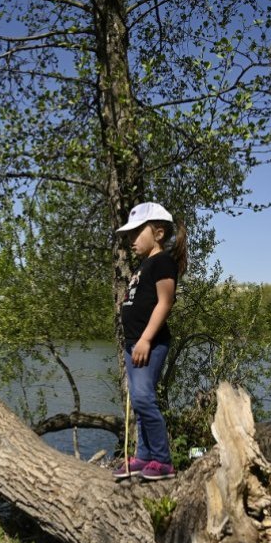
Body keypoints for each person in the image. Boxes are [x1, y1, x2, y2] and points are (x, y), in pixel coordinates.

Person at [112, 202, 187, 481]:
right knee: (139, 404)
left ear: (158, 234)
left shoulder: (162, 261)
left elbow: (165, 303)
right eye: (129, 234)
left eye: (136, 233)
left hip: (150, 344)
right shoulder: (144, 265)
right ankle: (143, 457)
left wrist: (145, 339)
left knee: (144, 398)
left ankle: (163, 461)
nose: (131, 239)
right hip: (134, 344)